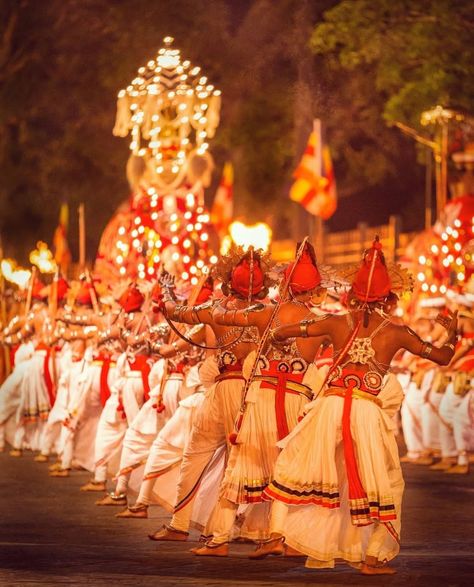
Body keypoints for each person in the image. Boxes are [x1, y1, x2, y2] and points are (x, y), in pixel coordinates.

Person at [263, 237, 457, 575]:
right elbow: (442, 357)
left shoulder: (336, 322)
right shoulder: (397, 331)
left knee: (306, 469)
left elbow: (283, 332)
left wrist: (282, 335)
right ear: (389, 296)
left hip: (330, 407)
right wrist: (452, 334)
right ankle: (370, 559)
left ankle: (286, 537)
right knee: (384, 481)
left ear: (352, 293)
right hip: (365, 410)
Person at [192, 241, 331, 556]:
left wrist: (196, 307)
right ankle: (283, 536)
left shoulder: (265, 313)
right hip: (297, 401)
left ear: (284, 284)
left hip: (263, 400)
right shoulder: (326, 323)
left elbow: (222, 319)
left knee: (240, 467)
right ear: (315, 291)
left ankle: (219, 540)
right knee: (288, 470)